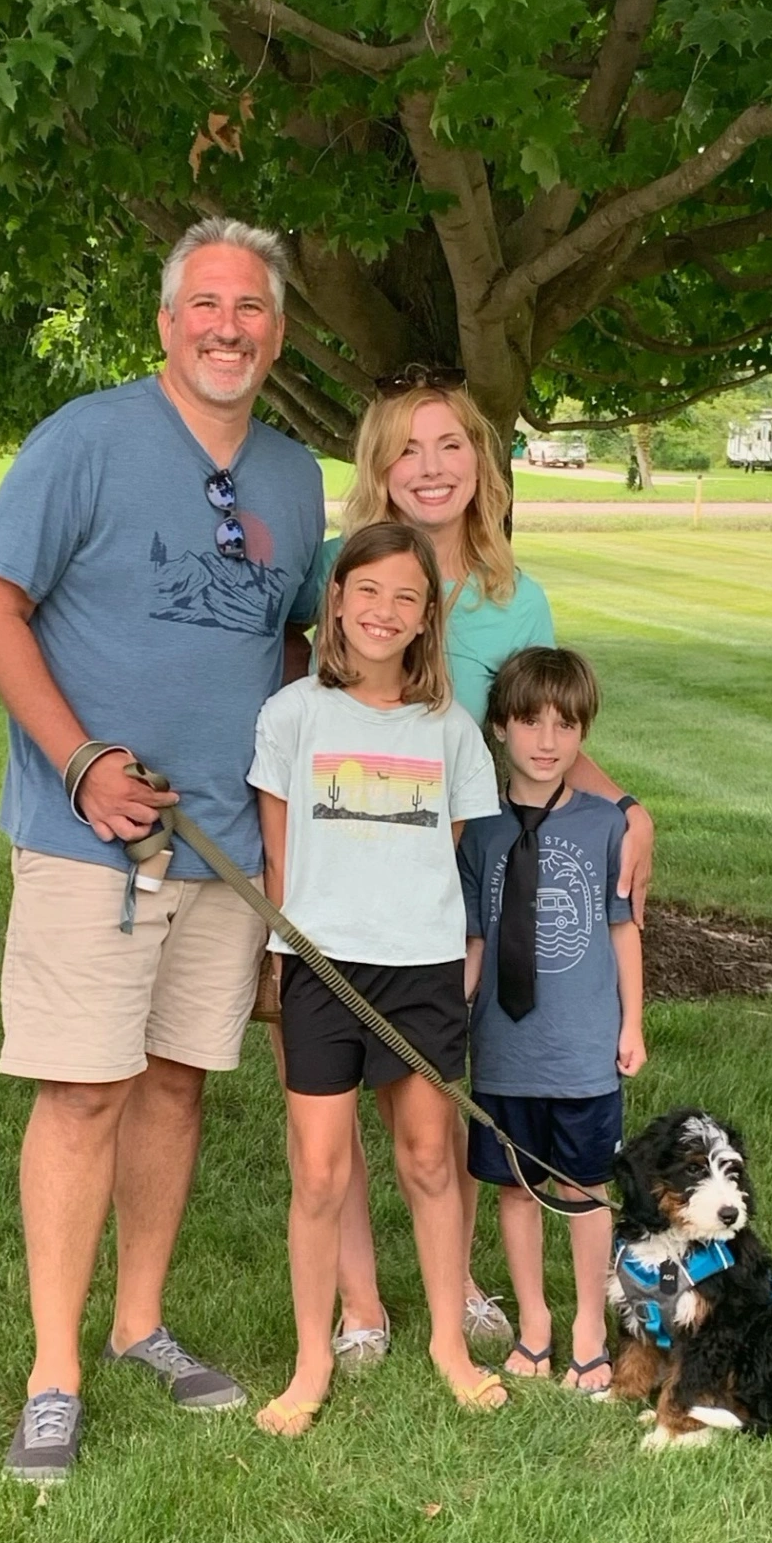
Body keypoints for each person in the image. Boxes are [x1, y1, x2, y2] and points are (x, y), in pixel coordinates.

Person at [0, 218, 325, 1481]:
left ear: (278, 332)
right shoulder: (87, 440)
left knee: (176, 1083)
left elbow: (292, 640)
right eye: (208, 305)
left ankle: (139, 1325)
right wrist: (79, 760)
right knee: (84, 1089)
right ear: (168, 323)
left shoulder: (292, 477)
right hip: (87, 837)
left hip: (223, 848)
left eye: (255, 310)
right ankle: (52, 1373)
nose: (231, 327)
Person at [317, 370, 655, 1365]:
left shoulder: (516, 595)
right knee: (333, 1100)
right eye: (407, 449)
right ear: (378, 467)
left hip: (458, 883)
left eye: (451, 446)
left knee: (442, 1094)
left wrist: (624, 804)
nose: (431, 468)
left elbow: (543, 732)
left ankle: (459, 1284)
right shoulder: (342, 569)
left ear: (482, 461)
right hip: (355, 868)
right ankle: (360, 1304)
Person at [247, 522, 508, 1433]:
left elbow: (445, 854)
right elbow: (281, 863)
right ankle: (311, 1358)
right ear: (338, 600)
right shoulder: (291, 718)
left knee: (431, 1158)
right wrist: (290, 954)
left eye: (406, 597)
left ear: (427, 615)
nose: (384, 612)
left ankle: (447, 1341)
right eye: (368, 592)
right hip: (321, 969)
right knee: (319, 1173)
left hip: (421, 970)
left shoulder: (450, 731)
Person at [458, 647, 646, 1392]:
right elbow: (476, 937)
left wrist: (632, 1025)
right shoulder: (477, 832)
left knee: (585, 1189)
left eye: (565, 726)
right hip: (504, 1053)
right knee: (515, 1188)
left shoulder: (606, 827)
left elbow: (625, 929)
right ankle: (533, 1323)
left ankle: (588, 1331)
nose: (547, 741)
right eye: (530, 723)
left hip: (583, 1050)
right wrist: (452, 1017)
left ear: (582, 735)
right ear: (499, 728)